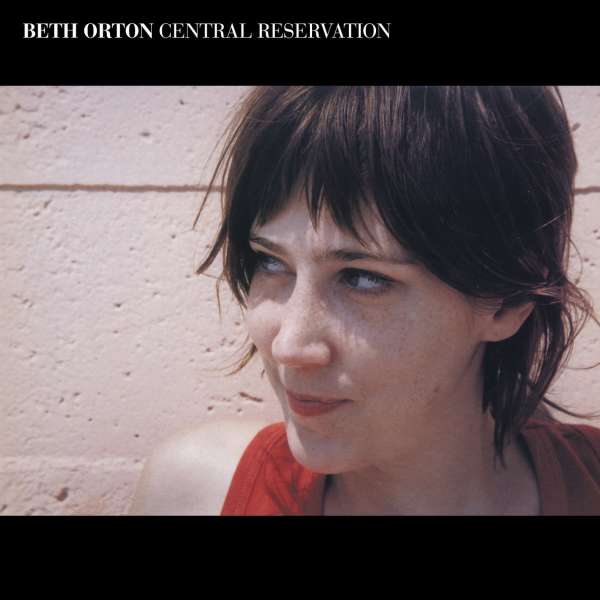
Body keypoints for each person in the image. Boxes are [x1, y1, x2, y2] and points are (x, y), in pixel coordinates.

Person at [129, 86, 600, 516]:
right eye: (271, 262)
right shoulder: (198, 495)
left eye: (362, 278)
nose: (289, 346)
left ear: (506, 303)